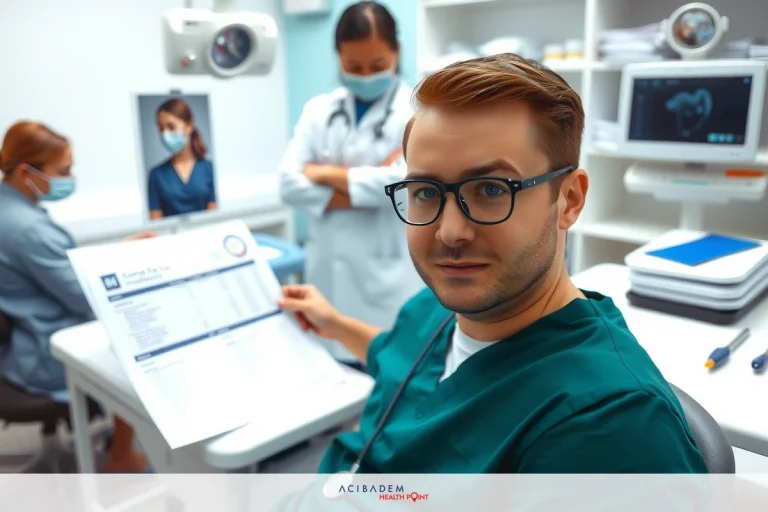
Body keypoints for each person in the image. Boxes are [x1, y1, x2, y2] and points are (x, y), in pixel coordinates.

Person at [278, 54, 709, 474]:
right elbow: (399, 359)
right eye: (426, 191)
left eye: (490, 189)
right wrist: (333, 322)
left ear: (569, 200)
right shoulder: (442, 305)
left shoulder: (609, 428)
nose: (449, 232)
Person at [0, 121, 153, 472]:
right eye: (63, 171)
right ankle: (122, 458)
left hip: (22, 333)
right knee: (135, 345)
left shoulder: (9, 208)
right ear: (26, 171)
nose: (70, 177)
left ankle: (122, 435)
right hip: (44, 349)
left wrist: (117, 250)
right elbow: (84, 298)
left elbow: (58, 264)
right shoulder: (27, 228)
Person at [278, 1, 424, 369]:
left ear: (397, 52)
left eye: (376, 66)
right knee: (328, 380)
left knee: (385, 376)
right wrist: (372, 187)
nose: (365, 76)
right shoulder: (318, 110)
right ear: (338, 57)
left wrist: (325, 174)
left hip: (385, 282)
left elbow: (406, 184)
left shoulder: (417, 112)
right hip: (327, 275)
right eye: (353, 66)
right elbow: (287, 184)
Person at [147, 97, 216, 220]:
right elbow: (155, 225)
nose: (165, 134)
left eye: (171, 127)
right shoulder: (156, 175)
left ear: (189, 126)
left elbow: (215, 218)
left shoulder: (209, 169)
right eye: (161, 128)